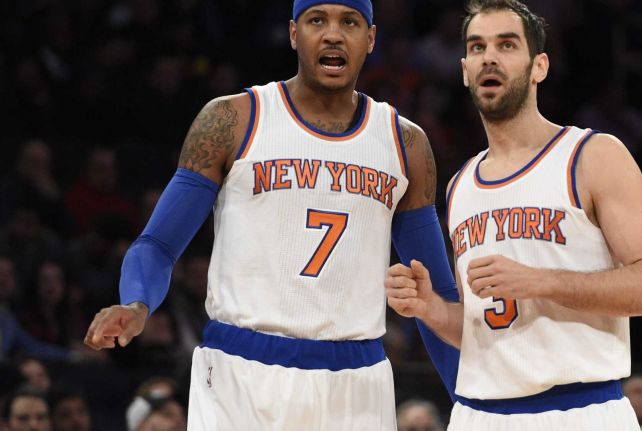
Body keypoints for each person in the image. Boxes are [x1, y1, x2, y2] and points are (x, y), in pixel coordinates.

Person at [83, 1, 458, 429]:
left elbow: (437, 294)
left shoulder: (405, 143)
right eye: (317, 20)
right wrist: (137, 303)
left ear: (370, 39)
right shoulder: (232, 120)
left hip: (357, 381)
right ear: (294, 34)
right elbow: (159, 244)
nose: (333, 34)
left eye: (349, 22)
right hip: (240, 374)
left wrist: (467, 405)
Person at [385, 0, 642, 429]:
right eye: (478, 47)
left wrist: (541, 280)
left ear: (539, 66)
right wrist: (430, 308)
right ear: (465, 70)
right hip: (479, 415)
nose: (489, 56)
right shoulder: (461, 184)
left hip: (581, 410)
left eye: (506, 45)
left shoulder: (592, 156)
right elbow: (484, 328)